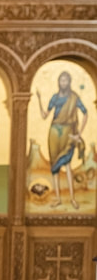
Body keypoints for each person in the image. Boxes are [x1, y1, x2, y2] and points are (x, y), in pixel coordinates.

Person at [36, 70, 89, 209]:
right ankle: (58, 198)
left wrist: (79, 134)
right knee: (55, 166)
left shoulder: (74, 97)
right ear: (58, 82)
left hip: (68, 132)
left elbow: (85, 113)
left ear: (69, 82)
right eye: (61, 80)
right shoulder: (54, 97)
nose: (63, 83)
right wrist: (39, 99)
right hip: (54, 132)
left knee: (67, 163)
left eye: (65, 80)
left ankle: (72, 198)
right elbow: (44, 115)